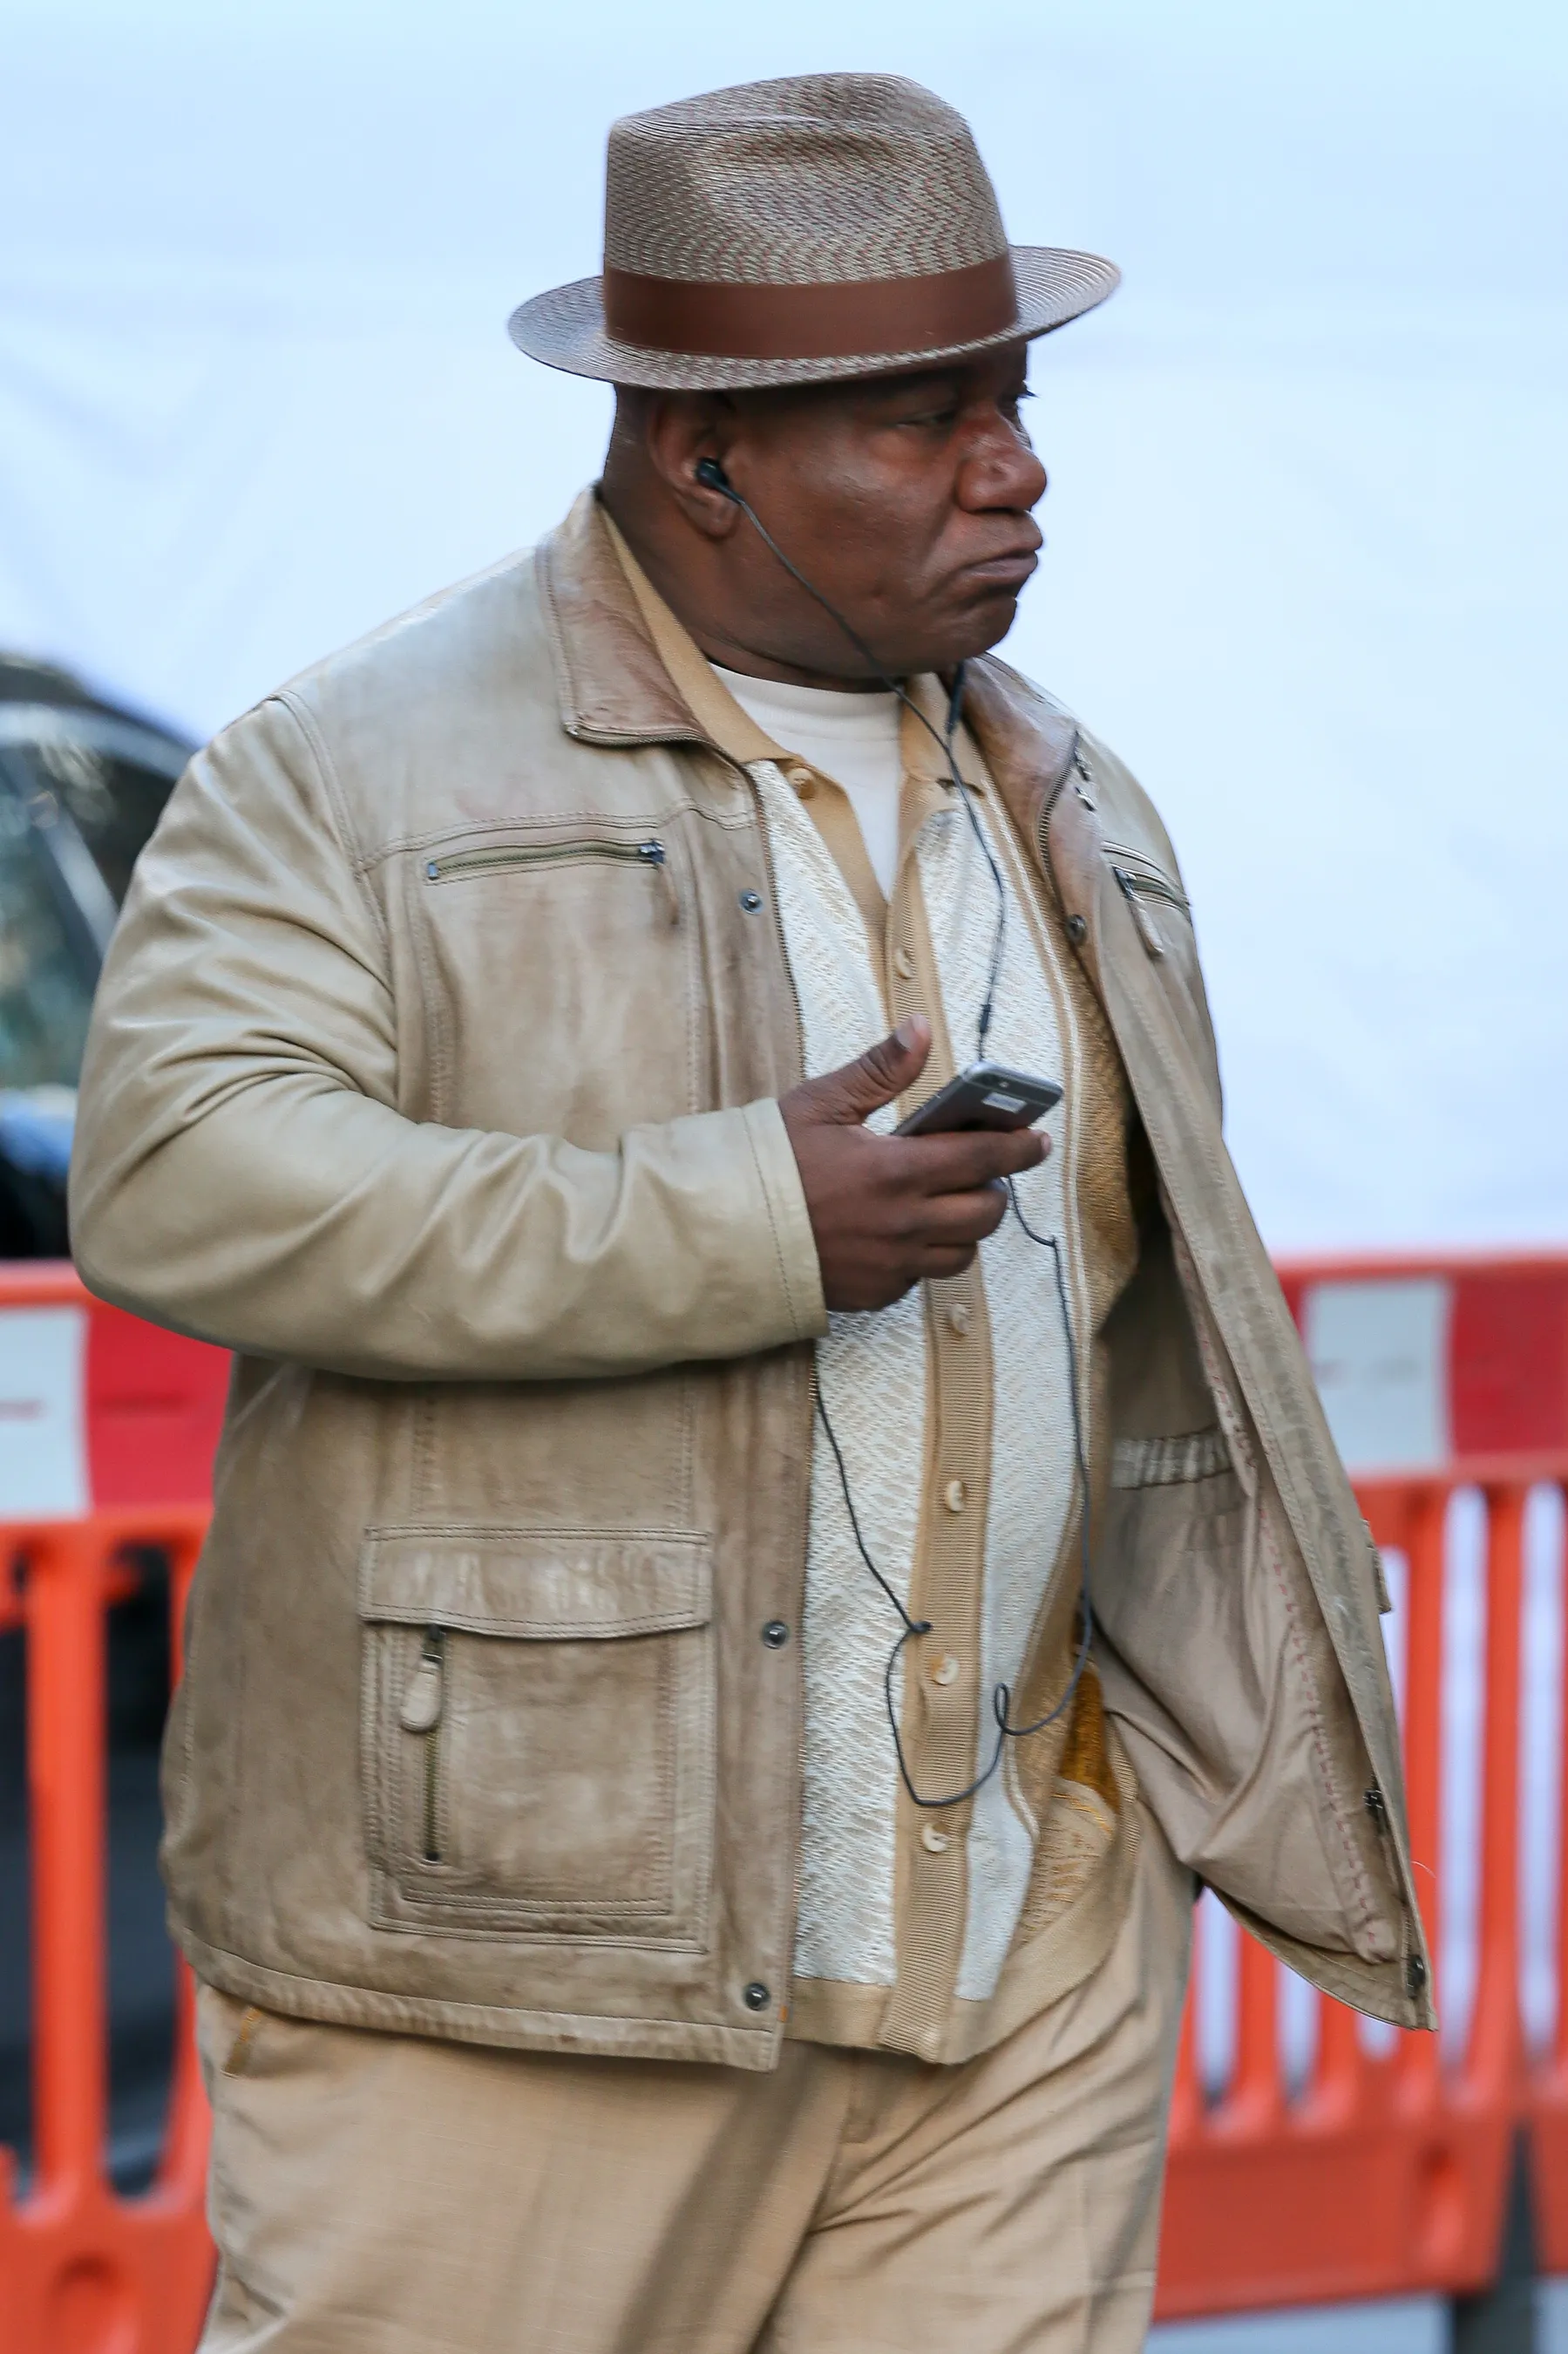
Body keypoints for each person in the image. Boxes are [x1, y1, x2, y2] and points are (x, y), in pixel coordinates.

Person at [71, 71, 1429, 2354]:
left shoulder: (1072, 788)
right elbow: (171, 1182)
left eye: (1012, 397)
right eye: (926, 418)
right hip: (514, 1972)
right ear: (696, 453)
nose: (1016, 467)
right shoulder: (355, 762)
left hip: (1015, 1955)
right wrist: (734, 1216)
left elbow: (1140, 1312)